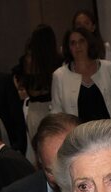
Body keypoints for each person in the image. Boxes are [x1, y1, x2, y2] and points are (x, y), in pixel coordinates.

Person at [51, 27, 111, 123]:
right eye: (73, 43)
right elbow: (56, 112)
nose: (78, 46)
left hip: (109, 132)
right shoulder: (59, 76)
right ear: (68, 48)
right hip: (78, 135)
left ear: (89, 43)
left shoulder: (108, 68)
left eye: (81, 41)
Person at [21, 24, 62, 163]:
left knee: (39, 150)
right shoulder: (58, 61)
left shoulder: (29, 62)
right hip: (52, 106)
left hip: (35, 108)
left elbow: (30, 89)